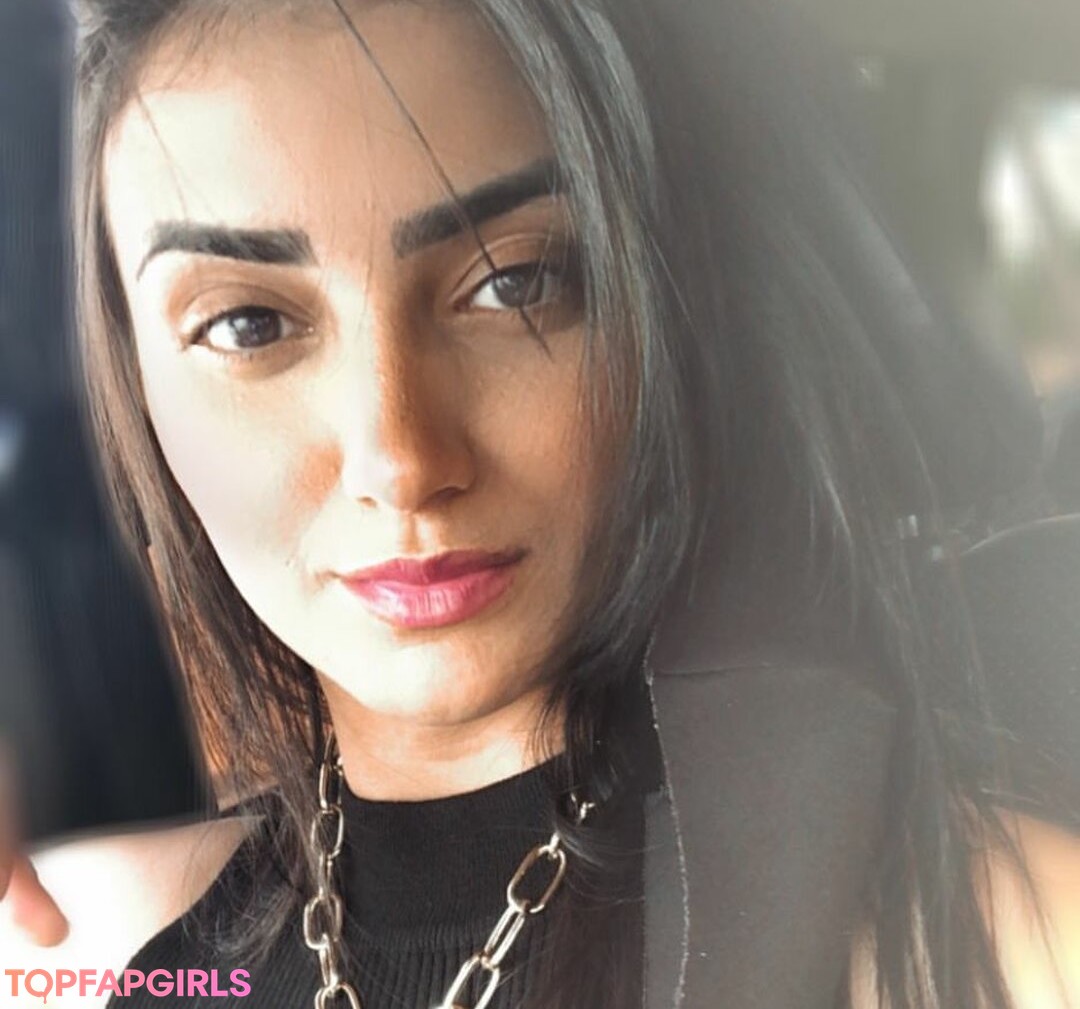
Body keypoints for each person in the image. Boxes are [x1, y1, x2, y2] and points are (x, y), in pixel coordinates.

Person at [2, 0, 1079, 1007]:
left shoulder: (982, 941)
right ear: (133, 383)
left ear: (659, 296)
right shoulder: (73, 951)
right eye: (249, 325)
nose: (401, 460)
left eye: (514, 284)